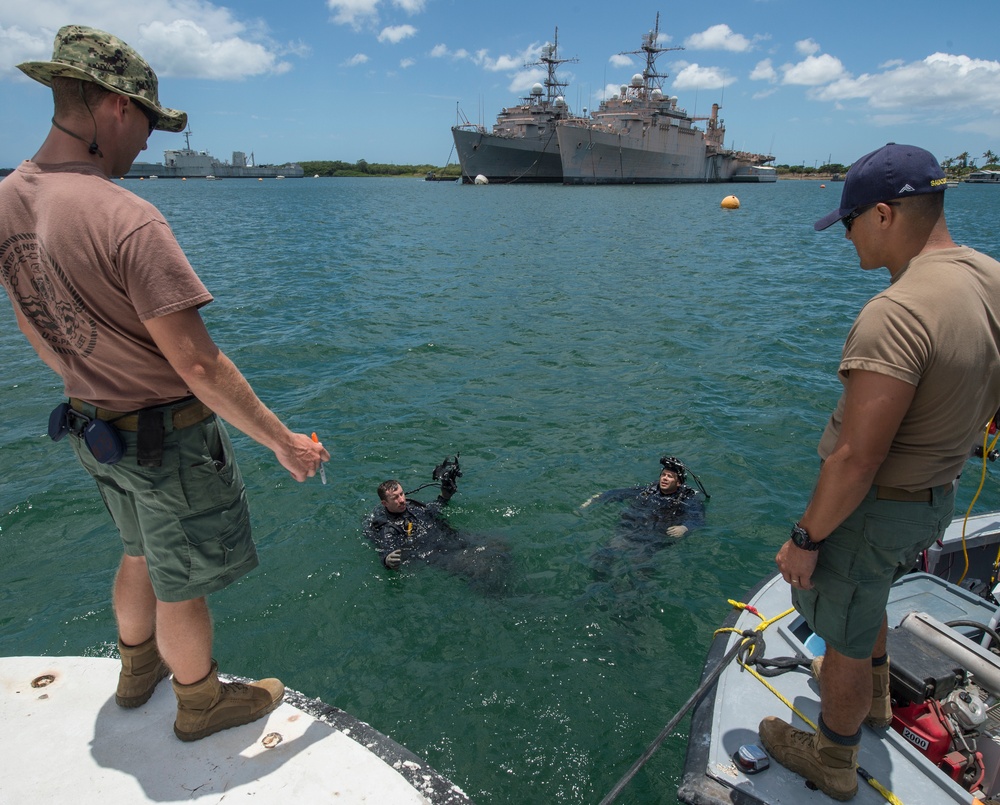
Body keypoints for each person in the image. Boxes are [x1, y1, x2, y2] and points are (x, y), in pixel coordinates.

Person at [0, 26, 329, 742]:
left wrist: (90, 380)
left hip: (92, 427)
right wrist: (283, 443)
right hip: (164, 438)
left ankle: (134, 670)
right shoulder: (126, 216)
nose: (149, 141)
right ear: (115, 106)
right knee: (182, 580)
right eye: (149, 120)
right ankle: (200, 699)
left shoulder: (8, 197)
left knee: (139, 549)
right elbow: (200, 365)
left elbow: (34, 322)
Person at [758, 143, 1000, 801]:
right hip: (932, 498)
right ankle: (874, 701)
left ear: (886, 214)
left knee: (840, 627)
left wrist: (805, 539)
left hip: (874, 508)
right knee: (872, 596)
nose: (845, 233)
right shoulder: (989, 276)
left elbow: (856, 458)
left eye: (849, 219)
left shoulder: (895, 312)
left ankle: (831, 756)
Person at [363, 456, 511, 594]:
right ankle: (497, 598)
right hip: (436, 552)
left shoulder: (413, 507)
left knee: (499, 545)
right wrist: (387, 560)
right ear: (384, 503)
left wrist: (445, 495)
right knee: (481, 567)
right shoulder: (388, 526)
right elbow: (387, 547)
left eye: (401, 494)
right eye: (395, 498)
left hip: (449, 537)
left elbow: (434, 508)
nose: (401, 500)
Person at [582, 456, 706, 583]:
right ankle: (596, 584)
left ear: (678, 482)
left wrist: (685, 527)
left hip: (652, 539)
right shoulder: (650, 490)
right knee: (604, 554)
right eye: (663, 475)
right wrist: (598, 498)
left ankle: (635, 599)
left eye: (669, 476)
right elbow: (622, 492)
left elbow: (698, 518)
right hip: (632, 532)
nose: (664, 478)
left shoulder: (688, 500)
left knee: (640, 570)